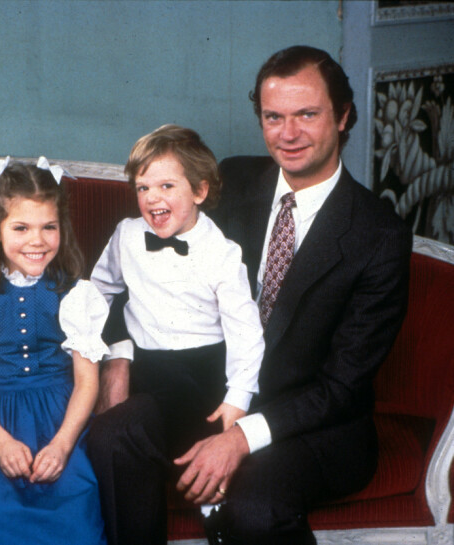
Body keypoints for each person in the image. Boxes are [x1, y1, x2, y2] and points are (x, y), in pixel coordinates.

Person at [172, 46, 412, 545]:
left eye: (307, 114)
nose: (288, 133)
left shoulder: (379, 235)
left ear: (343, 116)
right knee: (116, 437)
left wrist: (241, 438)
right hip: (219, 398)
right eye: (273, 117)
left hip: (318, 428)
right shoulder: (234, 180)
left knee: (255, 509)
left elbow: (341, 386)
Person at [87, 124, 264, 544]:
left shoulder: (222, 254)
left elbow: (246, 333)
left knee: (191, 444)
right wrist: (105, 349)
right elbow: (97, 291)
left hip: (200, 376)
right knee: (114, 434)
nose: (152, 198)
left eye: (167, 185)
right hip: (145, 368)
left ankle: (214, 507)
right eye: (143, 187)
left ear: (200, 191)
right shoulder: (128, 235)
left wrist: (237, 400)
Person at [0, 157, 108, 545]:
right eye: (21, 228)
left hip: (62, 420)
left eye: (49, 227)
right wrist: (1, 443)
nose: (38, 240)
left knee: (75, 520)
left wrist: (62, 445)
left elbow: (87, 383)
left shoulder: (75, 294)